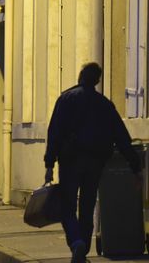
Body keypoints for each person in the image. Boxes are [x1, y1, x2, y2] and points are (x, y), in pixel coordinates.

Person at [44, 62, 141, 263]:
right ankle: (83, 248)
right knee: (87, 206)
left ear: (80, 76)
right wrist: (135, 165)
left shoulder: (66, 99)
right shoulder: (105, 104)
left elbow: (54, 132)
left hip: (70, 161)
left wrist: (49, 164)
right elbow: (122, 137)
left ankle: (76, 242)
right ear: (97, 81)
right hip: (95, 162)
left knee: (68, 205)